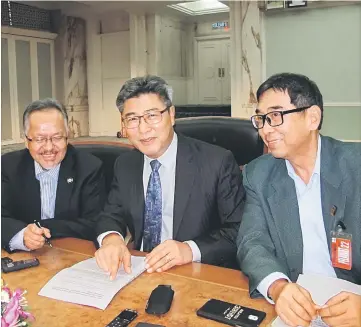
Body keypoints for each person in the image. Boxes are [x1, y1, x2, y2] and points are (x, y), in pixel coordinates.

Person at [237, 73, 361, 327]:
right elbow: (252, 242)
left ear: (312, 118)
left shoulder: (355, 167)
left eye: (275, 116)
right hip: (299, 308)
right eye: (261, 119)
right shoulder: (258, 174)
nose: (265, 129)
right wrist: (278, 287)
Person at [94, 75, 245, 279]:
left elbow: (239, 230)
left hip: (197, 274)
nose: (143, 128)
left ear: (172, 115)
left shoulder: (216, 162)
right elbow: (110, 215)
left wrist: (189, 250)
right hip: (139, 271)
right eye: (132, 119)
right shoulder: (125, 164)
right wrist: (111, 239)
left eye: (152, 115)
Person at [2, 99, 105, 252]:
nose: (49, 148)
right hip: (24, 256)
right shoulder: (7, 166)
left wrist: (41, 227)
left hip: (72, 254)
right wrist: (22, 234)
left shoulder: (89, 167)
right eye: (39, 139)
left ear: (68, 137)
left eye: (57, 138)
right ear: (26, 140)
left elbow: (95, 223)